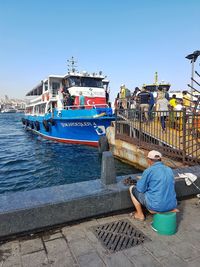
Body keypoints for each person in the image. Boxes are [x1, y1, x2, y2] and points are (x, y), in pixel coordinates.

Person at [129, 150, 177, 221]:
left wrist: (142, 180)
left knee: (131, 188)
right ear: (160, 160)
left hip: (155, 206)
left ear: (149, 160)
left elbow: (140, 189)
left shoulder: (149, 171)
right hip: (172, 205)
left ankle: (140, 215)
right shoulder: (169, 169)